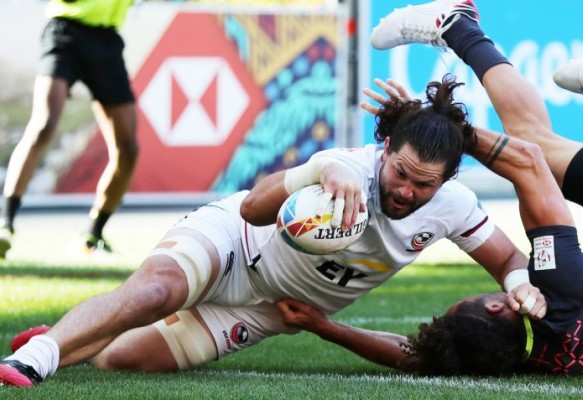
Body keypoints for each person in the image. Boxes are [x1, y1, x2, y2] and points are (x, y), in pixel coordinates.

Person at [0, 10, 545, 384]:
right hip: (235, 243)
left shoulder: (453, 207)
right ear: (384, 151)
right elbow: (250, 209)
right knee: (156, 292)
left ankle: (65, 333)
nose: (406, 190)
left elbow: (506, 258)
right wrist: (317, 168)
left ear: (447, 182)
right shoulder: (347, 168)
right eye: (400, 172)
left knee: (125, 358)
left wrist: (521, 287)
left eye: (423, 184)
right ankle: (36, 359)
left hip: (271, 310)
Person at [277, 0, 583, 376]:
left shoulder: (520, 360)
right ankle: (459, 25)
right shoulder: (561, 283)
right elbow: (528, 161)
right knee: (533, 138)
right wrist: (427, 122)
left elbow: (421, 355)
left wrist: (324, 327)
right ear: (494, 304)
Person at [0, 0, 139, 256]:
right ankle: (5, 224)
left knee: (128, 149)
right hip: (66, 33)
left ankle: (93, 235)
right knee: (44, 125)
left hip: (107, 41)